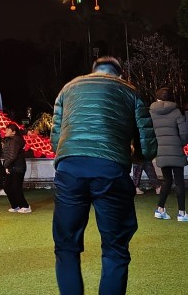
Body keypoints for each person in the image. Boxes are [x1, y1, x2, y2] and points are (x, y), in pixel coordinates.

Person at [51, 56, 157, 295]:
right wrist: (133, 154)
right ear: (119, 74)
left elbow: (56, 140)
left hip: (70, 169)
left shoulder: (68, 89)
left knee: (66, 247)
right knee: (115, 249)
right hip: (110, 169)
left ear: (94, 71)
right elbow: (148, 148)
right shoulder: (130, 91)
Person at [149, 87, 188, 222]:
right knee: (179, 182)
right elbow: (184, 133)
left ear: (157, 98)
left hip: (161, 151)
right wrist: (180, 144)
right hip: (176, 151)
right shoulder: (176, 112)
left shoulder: (151, 112)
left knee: (167, 180)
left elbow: (149, 133)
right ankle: (182, 213)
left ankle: (160, 209)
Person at [1, 121, 30, 212]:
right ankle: (15, 205)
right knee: (7, 186)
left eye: (8, 130)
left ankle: (25, 206)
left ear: (13, 132)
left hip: (17, 167)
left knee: (15, 187)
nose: (6, 131)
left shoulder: (15, 141)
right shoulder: (10, 140)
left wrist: (6, 165)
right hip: (12, 167)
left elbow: (12, 156)